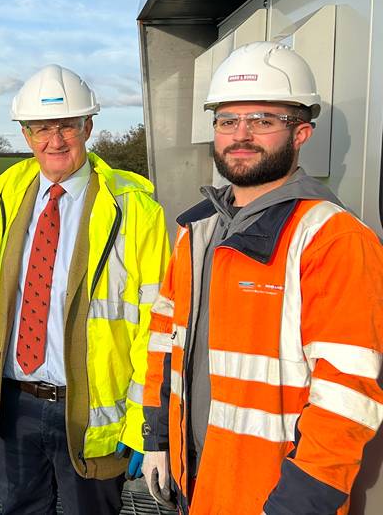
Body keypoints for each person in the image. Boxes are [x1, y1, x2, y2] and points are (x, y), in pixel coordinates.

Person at [141, 41, 383, 514]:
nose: (241, 134)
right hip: (198, 478)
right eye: (228, 120)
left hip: (274, 496)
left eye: (263, 120)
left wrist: (301, 502)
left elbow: (348, 396)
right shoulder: (197, 232)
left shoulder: (332, 238)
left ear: (302, 133)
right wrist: (157, 437)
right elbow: (163, 341)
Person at [0, 64, 169, 514]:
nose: (54, 140)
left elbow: (157, 327)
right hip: (15, 404)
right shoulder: (1, 198)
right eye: (40, 128)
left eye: (67, 125)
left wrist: (143, 425)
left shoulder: (134, 211)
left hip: (90, 412)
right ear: (25, 133)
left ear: (87, 126)